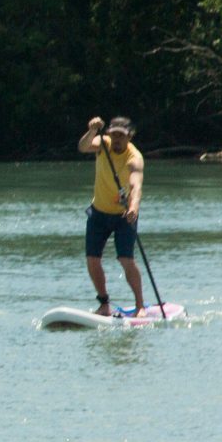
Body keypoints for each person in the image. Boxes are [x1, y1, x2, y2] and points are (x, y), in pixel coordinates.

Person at [78, 114, 147, 316]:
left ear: (130, 137)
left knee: (125, 259)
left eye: (121, 136)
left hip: (124, 216)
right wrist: (91, 130)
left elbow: (136, 186)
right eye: (114, 135)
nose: (117, 139)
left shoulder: (134, 158)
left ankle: (140, 305)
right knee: (92, 259)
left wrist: (133, 207)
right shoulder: (102, 145)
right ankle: (104, 303)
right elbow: (82, 147)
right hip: (99, 212)